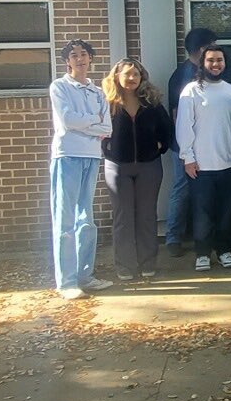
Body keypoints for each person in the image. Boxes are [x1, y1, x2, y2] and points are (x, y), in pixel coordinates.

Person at [49, 39, 113, 299]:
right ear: (67, 61)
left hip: (91, 156)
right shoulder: (59, 87)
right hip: (67, 156)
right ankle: (66, 283)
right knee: (65, 221)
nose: (79, 59)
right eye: (74, 55)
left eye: (83, 54)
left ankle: (85, 276)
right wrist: (93, 121)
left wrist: (89, 124)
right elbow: (67, 120)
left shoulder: (98, 92)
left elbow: (107, 128)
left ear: (90, 58)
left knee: (86, 219)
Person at [101, 58, 174, 281]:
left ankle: (147, 263)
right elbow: (97, 130)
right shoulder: (107, 103)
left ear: (142, 78)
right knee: (123, 216)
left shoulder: (151, 102)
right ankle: (124, 265)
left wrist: (160, 147)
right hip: (117, 168)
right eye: (127, 74)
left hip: (148, 166)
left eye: (136, 74)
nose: (132, 78)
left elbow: (167, 129)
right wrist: (107, 149)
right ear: (117, 76)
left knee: (146, 216)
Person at [176, 44, 231, 272]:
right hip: (200, 166)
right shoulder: (191, 90)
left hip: (229, 163)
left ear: (225, 63)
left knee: (225, 213)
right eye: (211, 60)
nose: (216, 64)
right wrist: (188, 158)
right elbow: (183, 126)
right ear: (202, 63)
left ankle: (224, 250)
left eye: (220, 60)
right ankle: (203, 253)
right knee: (202, 213)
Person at [165, 27, 217, 257]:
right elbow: (177, 114)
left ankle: (205, 236)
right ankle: (173, 238)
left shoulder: (208, 74)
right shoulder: (184, 75)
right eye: (211, 46)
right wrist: (186, 147)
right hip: (184, 146)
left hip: (208, 144)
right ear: (202, 48)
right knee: (182, 188)